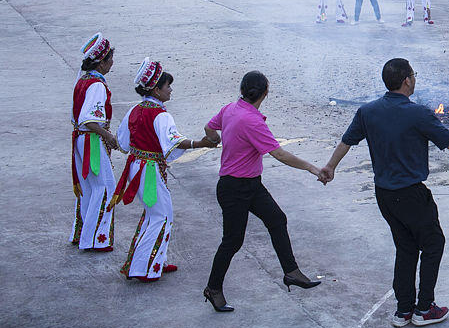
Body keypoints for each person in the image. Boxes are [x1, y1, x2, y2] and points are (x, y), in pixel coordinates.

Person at [320, 58, 449, 327]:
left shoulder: (368, 111)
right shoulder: (417, 113)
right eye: (413, 74)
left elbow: (347, 141)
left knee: (405, 248)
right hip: (411, 194)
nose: (414, 79)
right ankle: (424, 308)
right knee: (433, 245)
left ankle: (403, 310)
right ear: (406, 81)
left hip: (385, 194)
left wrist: (330, 166)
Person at [202, 71, 325, 312]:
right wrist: (312, 168)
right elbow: (278, 154)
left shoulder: (230, 109)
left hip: (251, 185)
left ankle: (291, 272)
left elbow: (209, 127)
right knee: (232, 241)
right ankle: (213, 288)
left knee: (277, 220)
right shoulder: (252, 121)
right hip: (234, 189)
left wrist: (213, 139)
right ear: (265, 93)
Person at [112, 59, 217, 281]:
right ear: (156, 90)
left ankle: (152, 262)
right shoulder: (161, 115)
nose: (170, 90)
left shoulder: (135, 109)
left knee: (153, 215)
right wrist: (201, 143)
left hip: (136, 166)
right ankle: (145, 267)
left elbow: (122, 143)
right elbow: (174, 142)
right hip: (149, 170)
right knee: (161, 216)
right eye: (167, 86)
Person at [71, 34, 121, 252]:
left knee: (89, 188)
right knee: (106, 187)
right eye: (110, 59)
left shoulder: (82, 80)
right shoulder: (97, 85)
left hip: (80, 139)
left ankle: (83, 233)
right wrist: (108, 136)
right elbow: (88, 119)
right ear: (101, 62)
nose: (111, 63)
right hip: (91, 140)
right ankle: (95, 239)